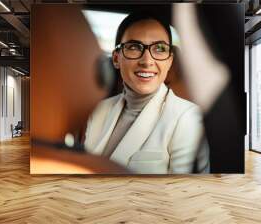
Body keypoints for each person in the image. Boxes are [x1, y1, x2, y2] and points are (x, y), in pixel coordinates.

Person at [84, 12, 208, 174]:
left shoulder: (187, 117)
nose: (147, 61)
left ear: (170, 61)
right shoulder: (98, 110)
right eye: (134, 47)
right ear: (116, 59)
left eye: (159, 48)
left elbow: (183, 189)